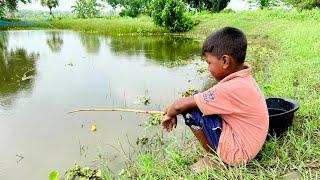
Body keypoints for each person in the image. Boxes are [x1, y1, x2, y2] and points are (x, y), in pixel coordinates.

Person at [161, 27, 269, 171]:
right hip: (251, 145)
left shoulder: (230, 88)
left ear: (225, 61)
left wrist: (170, 112)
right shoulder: (244, 78)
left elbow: (181, 106)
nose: (208, 68)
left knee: (191, 110)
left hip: (239, 154)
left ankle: (216, 159)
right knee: (202, 105)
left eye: (209, 63)